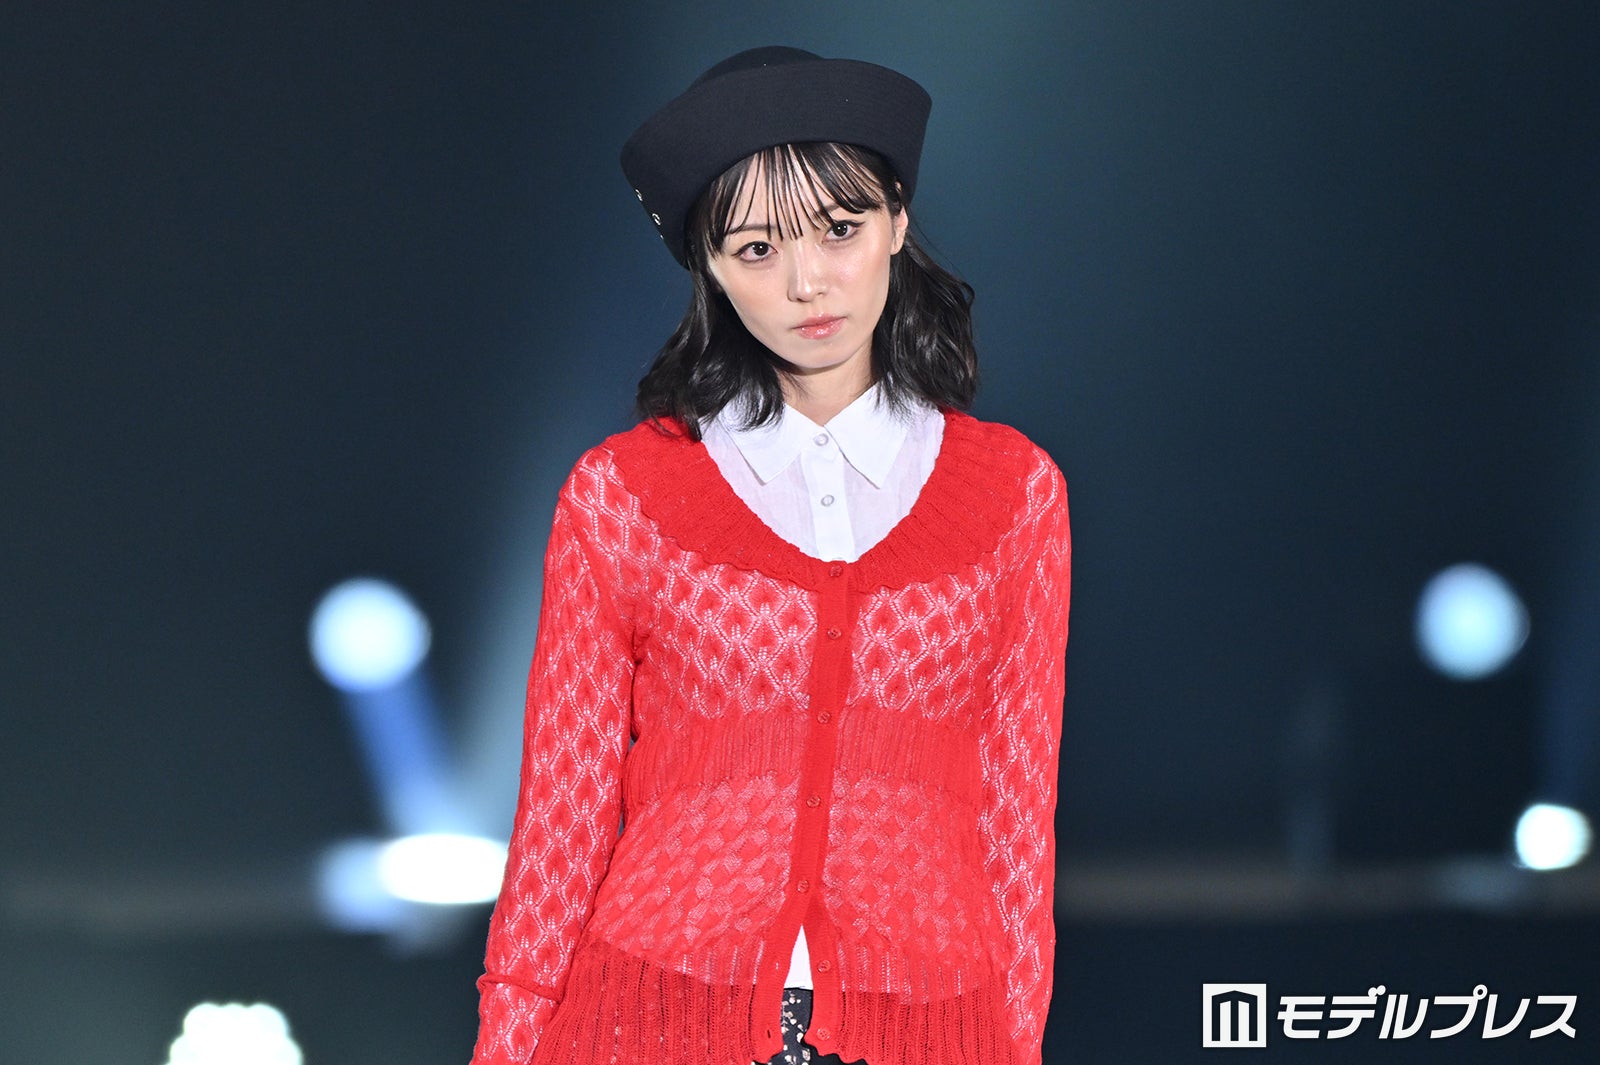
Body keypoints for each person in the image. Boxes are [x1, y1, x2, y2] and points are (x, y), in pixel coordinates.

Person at [470, 46, 1070, 1065]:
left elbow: (1017, 826)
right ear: (708, 268)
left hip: (924, 1029)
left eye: (839, 230)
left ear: (896, 220)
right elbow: (560, 828)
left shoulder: (1013, 494)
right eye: (754, 249)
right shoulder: (625, 496)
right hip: (647, 1021)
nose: (806, 282)